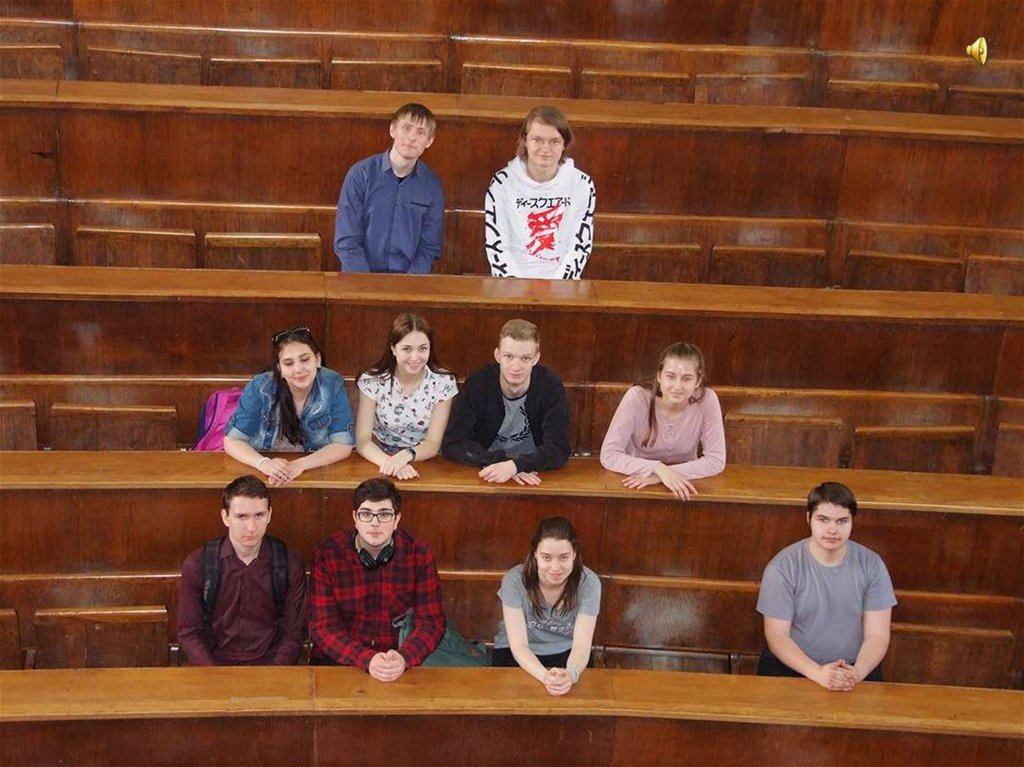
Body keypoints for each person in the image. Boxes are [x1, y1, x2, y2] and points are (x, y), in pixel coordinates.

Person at [756, 481, 896, 691]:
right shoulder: (782, 567)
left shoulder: (872, 565)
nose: (832, 530)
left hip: (855, 669)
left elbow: (878, 635)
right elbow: (777, 636)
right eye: (823, 520)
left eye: (842, 521)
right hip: (792, 668)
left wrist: (856, 673)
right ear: (808, 518)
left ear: (852, 521)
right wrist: (818, 673)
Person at [308, 478, 445, 681]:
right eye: (366, 514)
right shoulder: (329, 554)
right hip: (342, 661)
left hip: (398, 660)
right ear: (355, 518)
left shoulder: (418, 552)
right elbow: (322, 627)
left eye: (384, 514)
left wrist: (404, 657)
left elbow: (431, 622)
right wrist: (367, 659)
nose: (374, 523)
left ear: (397, 519)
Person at [177, 475, 307, 665]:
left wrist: (275, 674)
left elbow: (293, 633)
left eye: (259, 515)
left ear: (269, 514)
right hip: (215, 664)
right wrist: (213, 675)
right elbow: (189, 633)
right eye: (241, 517)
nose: (251, 527)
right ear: (226, 517)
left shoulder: (289, 563)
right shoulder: (198, 564)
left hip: (271, 665)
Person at [442, 318, 570, 485]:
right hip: (486, 468)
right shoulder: (479, 383)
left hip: (535, 471)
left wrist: (515, 466)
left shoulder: (549, 385)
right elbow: (453, 443)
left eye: (525, 358)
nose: (516, 367)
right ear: (497, 355)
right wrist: (498, 463)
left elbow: (559, 449)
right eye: (509, 356)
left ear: (536, 358)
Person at [224, 326, 355, 487]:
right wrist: (264, 463)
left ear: (318, 359)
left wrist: (299, 465)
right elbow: (233, 441)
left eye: (305, 360)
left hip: (314, 467)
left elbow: (343, 444)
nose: (298, 369)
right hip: (262, 470)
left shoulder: (332, 383)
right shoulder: (260, 387)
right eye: (288, 363)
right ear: (279, 368)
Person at [600, 342, 725, 501]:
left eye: (686, 379)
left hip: (686, 483)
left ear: (698, 381)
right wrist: (658, 468)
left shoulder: (707, 400)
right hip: (637, 482)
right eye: (670, 376)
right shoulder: (637, 397)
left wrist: (661, 476)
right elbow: (609, 455)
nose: (677, 386)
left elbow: (716, 460)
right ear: (659, 376)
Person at [484, 105, 596, 280]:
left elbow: (579, 248)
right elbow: (497, 247)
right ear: (525, 141)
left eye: (554, 141)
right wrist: (517, 287)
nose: (545, 148)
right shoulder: (502, 183)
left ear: (564, 144)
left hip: (563, 285)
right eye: (537, 140)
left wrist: (557, 288)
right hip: (512, 285)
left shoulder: (582, 184)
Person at [492, 516, 600, 695]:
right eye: (546, 557)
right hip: (516, 652)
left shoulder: (589, 583)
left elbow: (581, 645)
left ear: (574, 554)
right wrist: (545, 676)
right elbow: (519, 645)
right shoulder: (514, 581)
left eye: (564, 557)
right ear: (535, 553)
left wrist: (571, 674)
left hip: (568, 651)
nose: (555, 567)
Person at [333, 102, 444, 273]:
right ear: (392, 130)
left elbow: (429, 247)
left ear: (429, 141)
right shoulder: (360, 175)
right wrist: (366, 284)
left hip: (409, 283)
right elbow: (347, 241)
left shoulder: (432, 186)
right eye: (406, 128)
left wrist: (408, 285)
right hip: (359, 279)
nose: (412, 137)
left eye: (420, 132)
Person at [355, 313, 457, 480]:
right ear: (393, 348)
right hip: (381, 456)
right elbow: (363, 441)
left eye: (423, 348)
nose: (415, 357)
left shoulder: (443, 382)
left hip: (425, 459)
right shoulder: (373, 380)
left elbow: (433, 443)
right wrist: (392, 464)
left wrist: (407, 456)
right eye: (407, 349)